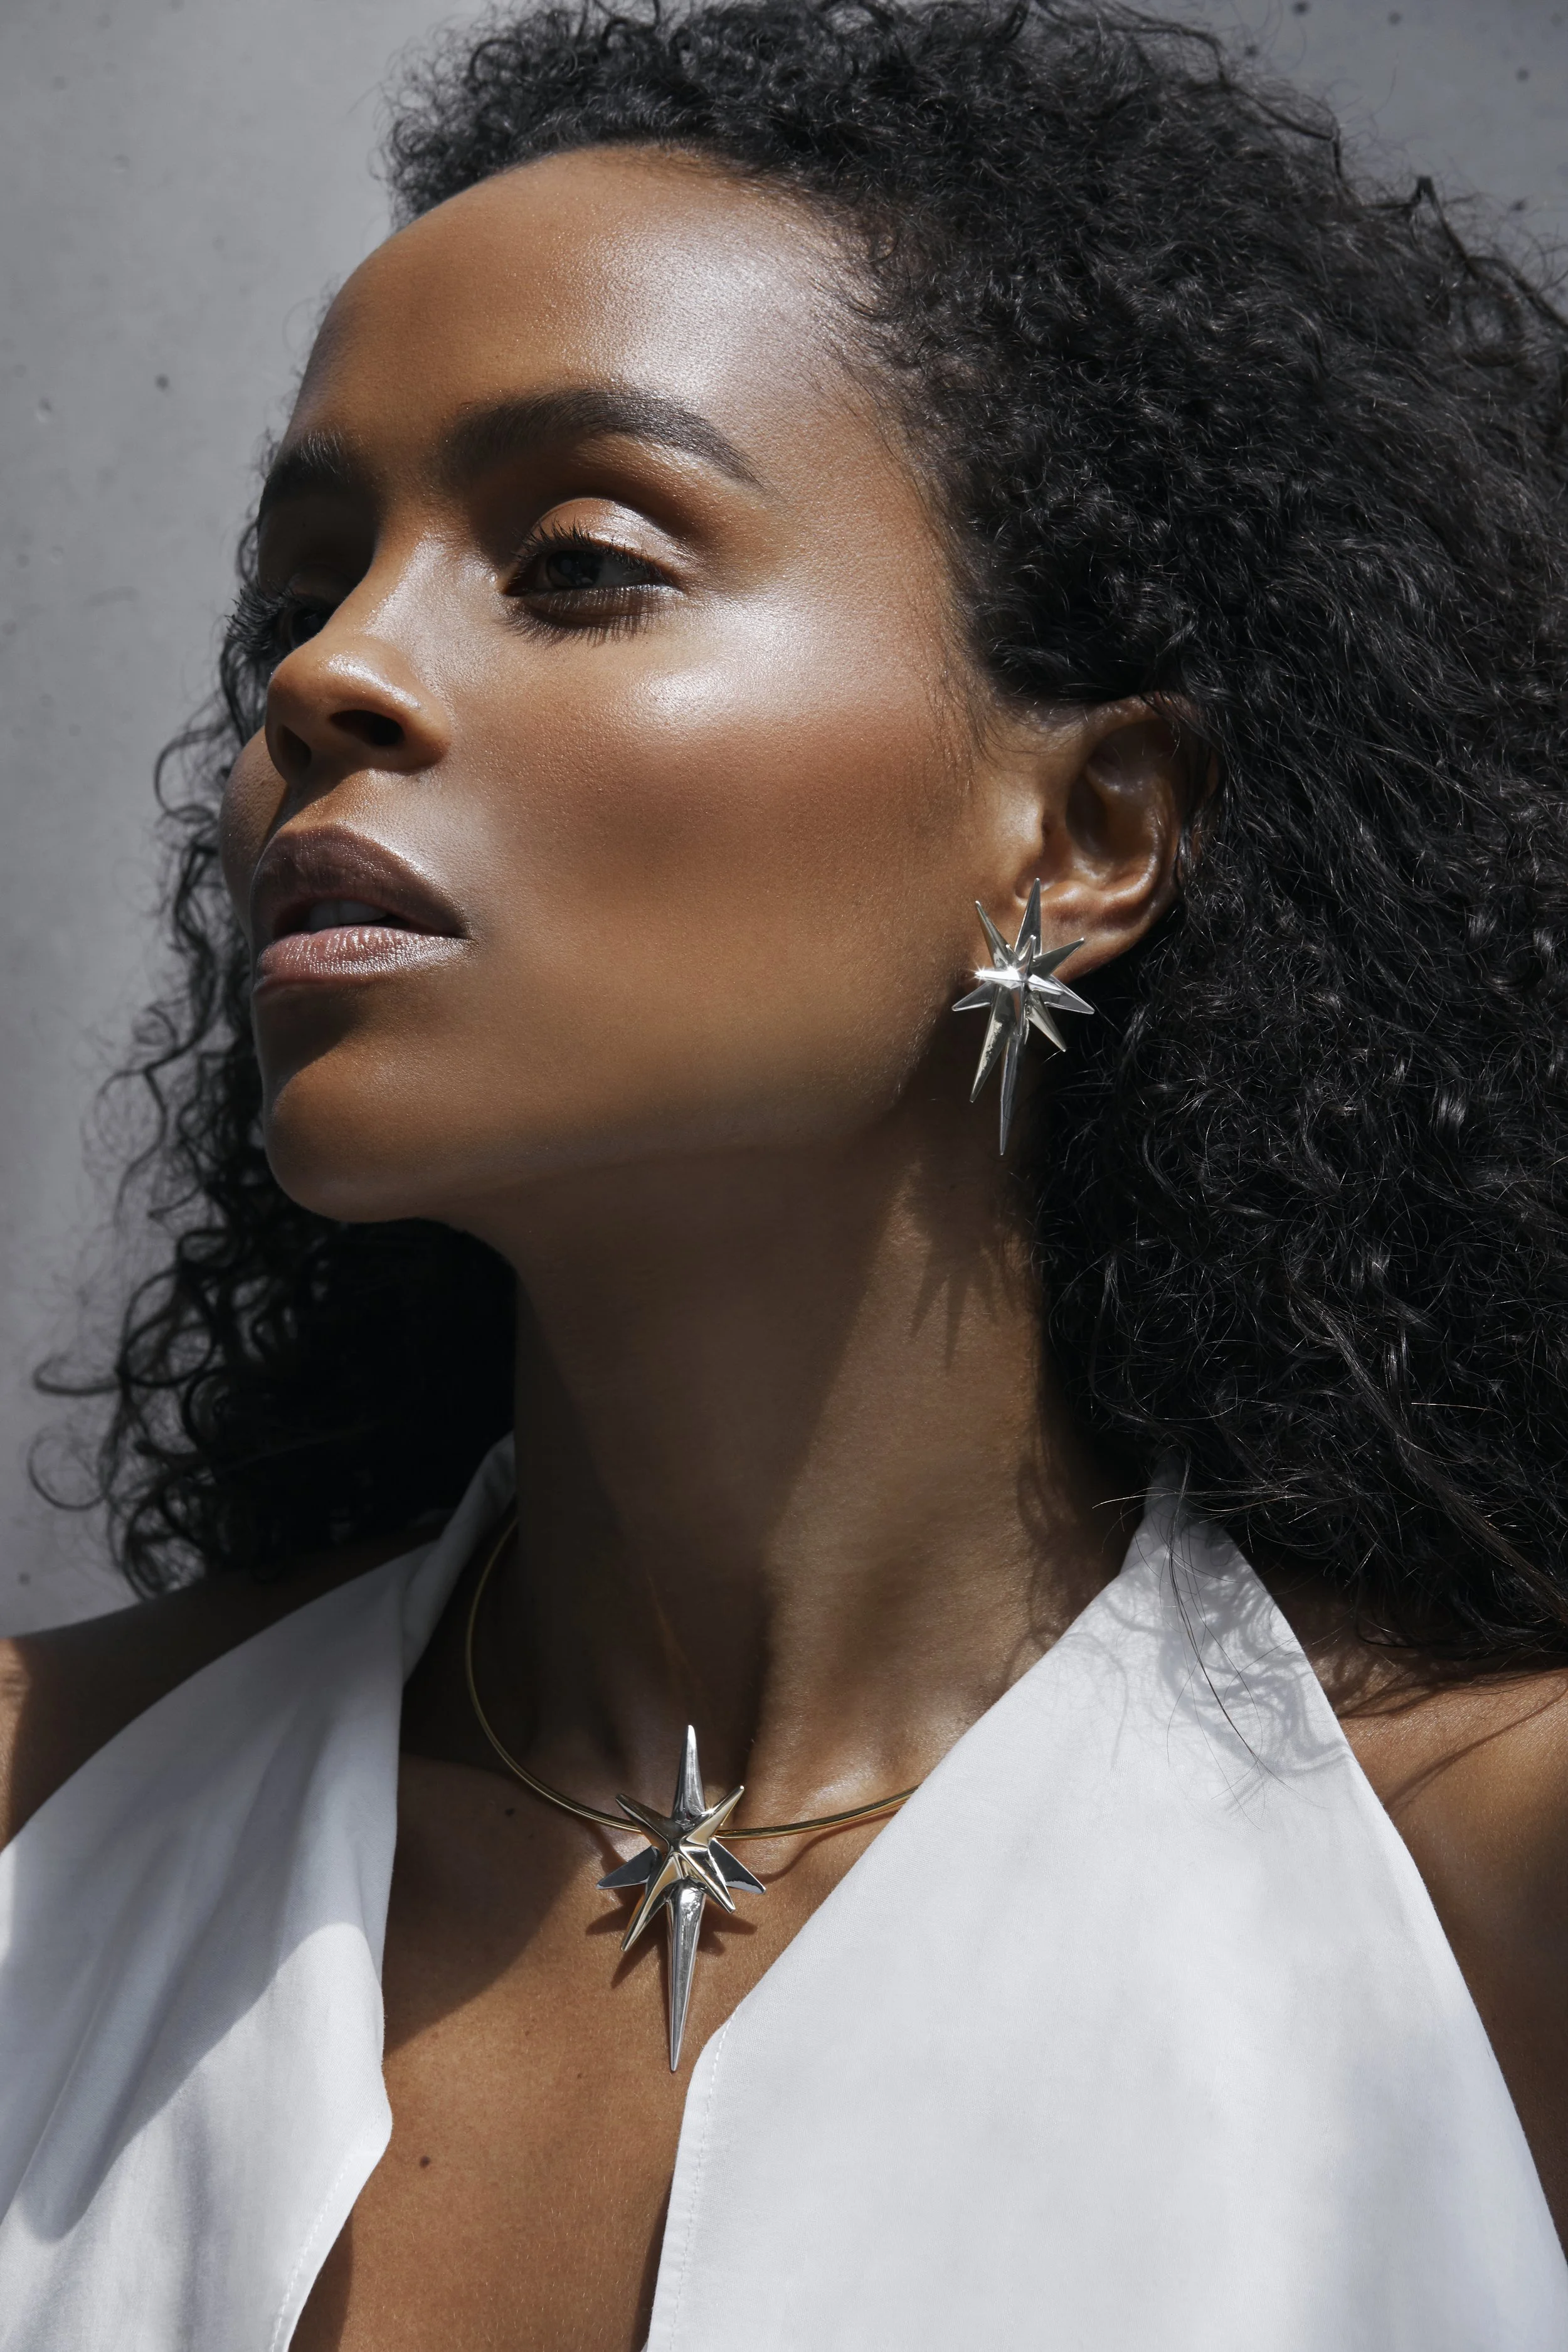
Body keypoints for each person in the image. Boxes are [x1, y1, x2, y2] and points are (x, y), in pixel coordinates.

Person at [5, 0, 1568, 2343]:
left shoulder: (1494, 1906)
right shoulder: (43, 1818)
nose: (325, 679)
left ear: (1085, 828)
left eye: (577, 557)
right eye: (298, 590)